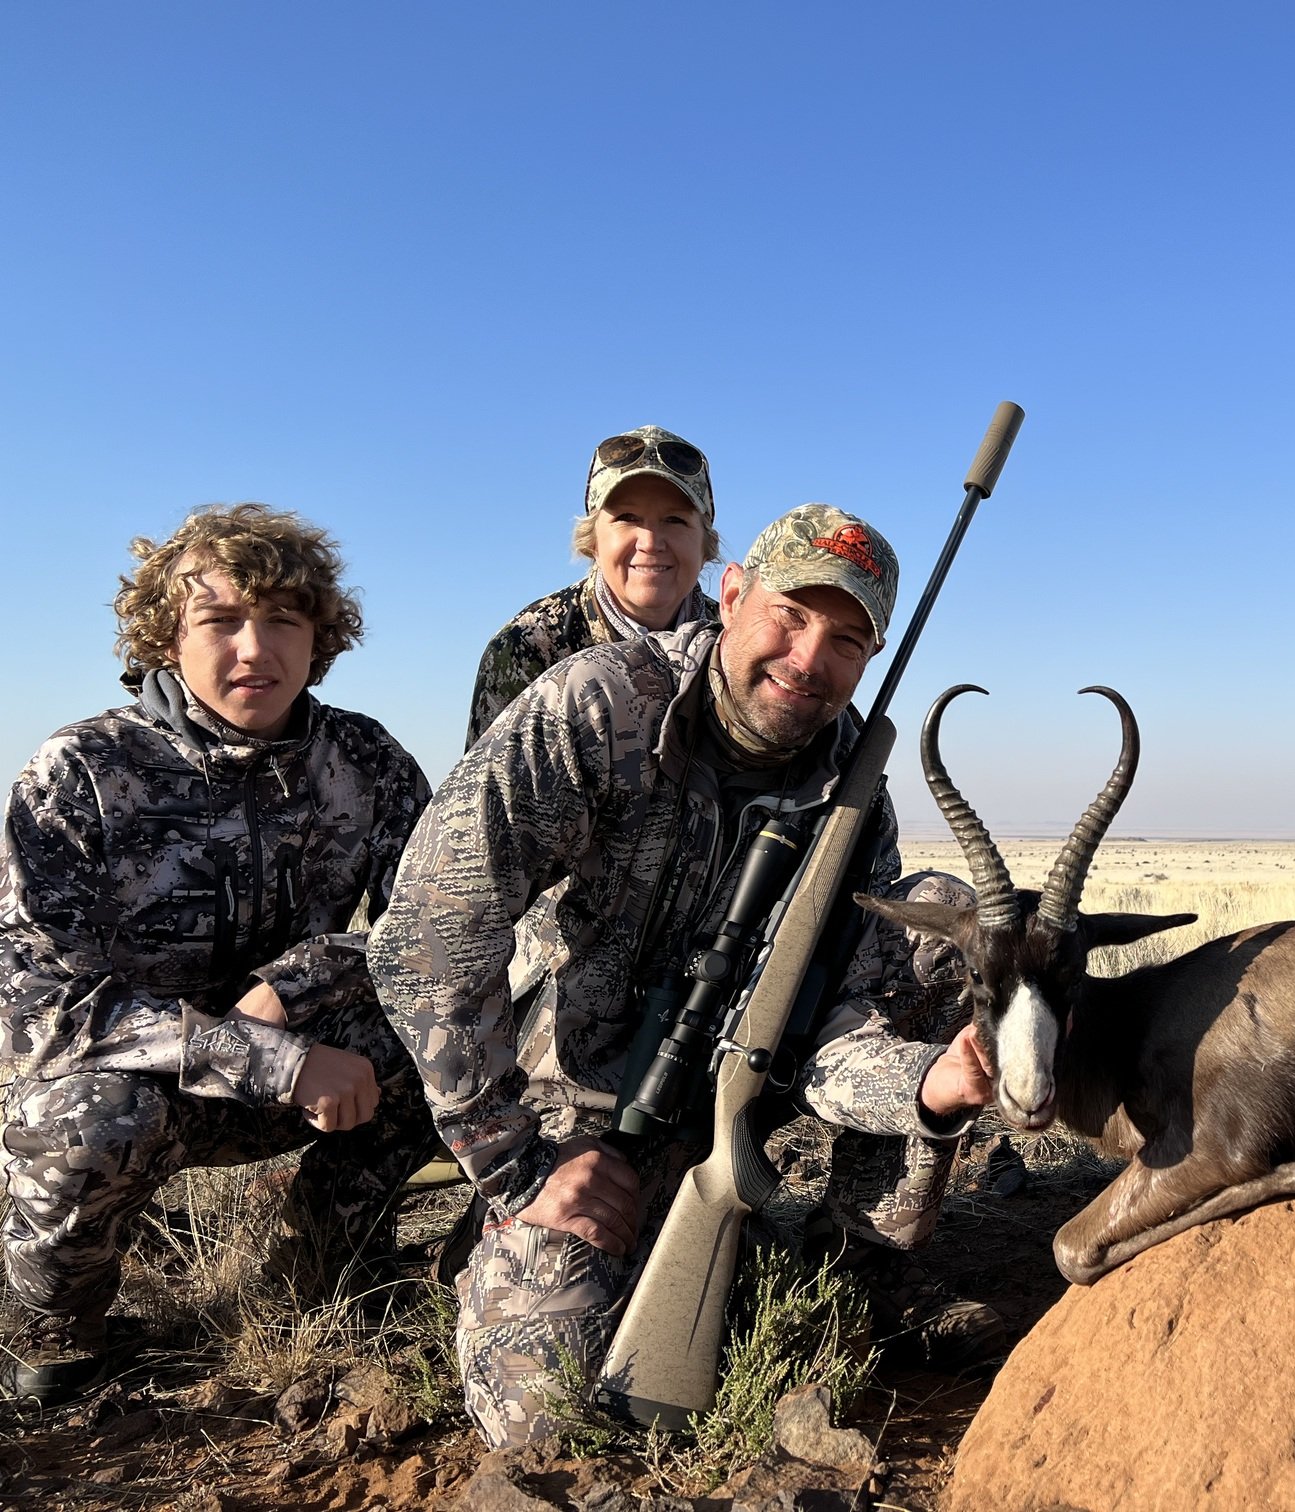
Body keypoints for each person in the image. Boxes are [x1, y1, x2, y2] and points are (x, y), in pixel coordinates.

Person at [369, 504, 999, 1448]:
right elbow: (427, 931)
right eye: (790, 616)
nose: (807, 659)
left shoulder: (854, 789)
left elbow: (843, 1025)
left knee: (945, 918)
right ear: (733, 593)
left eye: (847, 640)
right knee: (546, 1418)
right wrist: (520, 1166)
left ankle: (865, 1259)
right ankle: (506, 1236)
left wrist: (927, 1083)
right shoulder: (597, 703)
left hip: (740, 1095)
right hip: (574, 1108)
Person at [0, 504, 437, 1405]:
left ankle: (326, 1258)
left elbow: (429, 927)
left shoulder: (367, 760)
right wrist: (265, 1056)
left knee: (448, 1039)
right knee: (89, 1118)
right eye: (221, 621)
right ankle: (58, 1327)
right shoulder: (80, 768)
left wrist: (297, 983)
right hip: (144, 1083)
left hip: (310, 1069)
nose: (255, 649)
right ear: (166, 634)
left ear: (320, 636)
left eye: (283, 619)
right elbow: (37, 1002)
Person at [465, 425, 720, 747]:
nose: (651, 542)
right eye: (627, 517)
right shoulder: (527, 648)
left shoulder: (737, 638)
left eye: (675, 520)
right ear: (592, 541)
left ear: (706, 545)